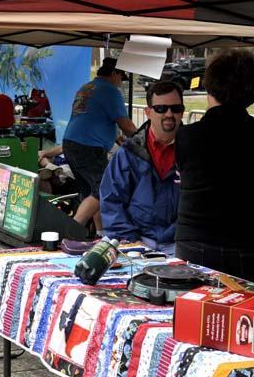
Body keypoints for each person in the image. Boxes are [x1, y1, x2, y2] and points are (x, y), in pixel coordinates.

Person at [175, 49, 254, 287]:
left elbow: (185, 176)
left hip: (198, 242)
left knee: (199, 317)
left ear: (210, 86)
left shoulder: (187, 136)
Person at [99, 81, 184, 255]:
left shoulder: (196, 150)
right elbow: (111, 201)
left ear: (182, 112)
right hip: (135, 241)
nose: (169, 114)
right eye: (161, 108)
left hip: (182, 243)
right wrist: (133, 242)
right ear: (148, 112)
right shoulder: (129, 152)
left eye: (175, 108)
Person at [62, 57, 137, 233]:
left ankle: (99, 233)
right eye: (121, 78)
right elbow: (125, 124)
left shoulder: (87, 87)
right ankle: (71, 232)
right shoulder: (110, 90)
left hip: (71, 143)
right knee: (104, 188)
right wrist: (144, 140)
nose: (120, 83)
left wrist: (118, 138)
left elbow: (93, 118)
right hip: (88, 147)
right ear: (114, 74)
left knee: (92, 192)